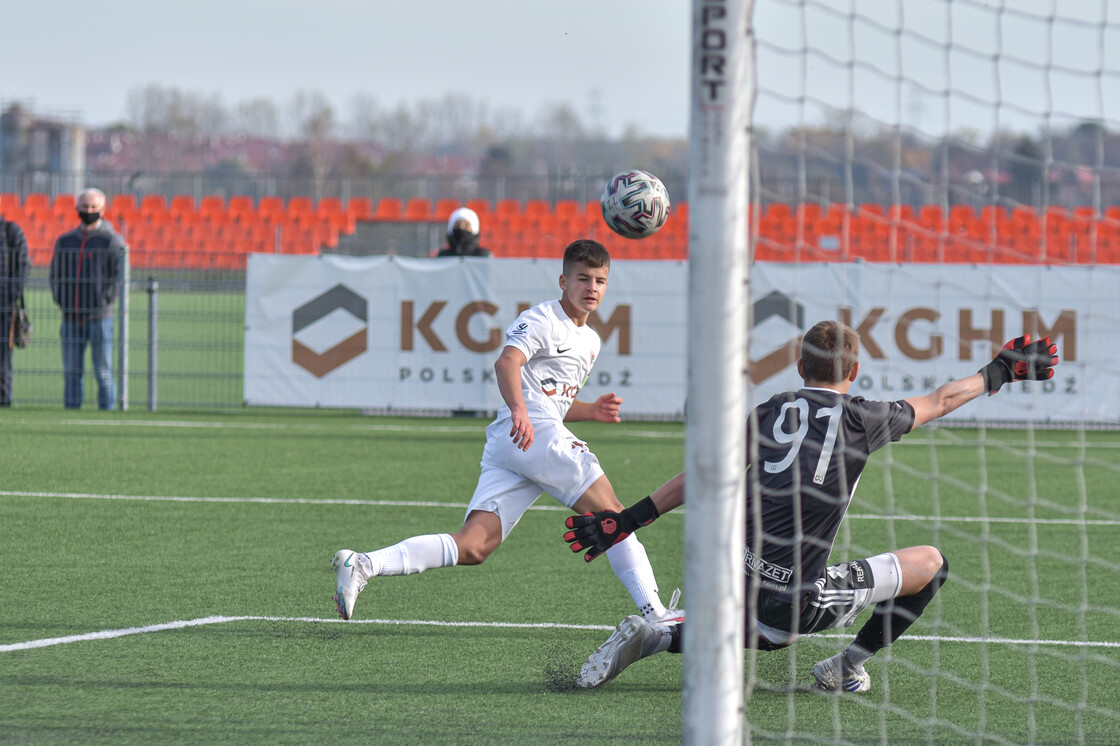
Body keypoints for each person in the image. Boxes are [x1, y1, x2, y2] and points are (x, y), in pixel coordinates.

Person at [563, 320, 1059, 691]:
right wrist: (998, 371)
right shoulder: (866, 418)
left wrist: (626, 520)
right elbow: (942, 400)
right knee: (931, 565)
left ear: (800, 367)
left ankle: (666, 632)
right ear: (856, 371)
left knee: (765, 608)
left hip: (734, 571)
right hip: (791, 594)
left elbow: (702, 476)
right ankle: (844, 667)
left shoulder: (771, 409)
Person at [332, 239, 678, 626]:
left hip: (517, 441)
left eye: (600, 280)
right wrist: (520, 410)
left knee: (473, 545)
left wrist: (591, 410)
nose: (592, 288)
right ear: (563, 281)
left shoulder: (591, 340)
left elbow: (553, 400)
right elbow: (507, 363)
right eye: (583, 279)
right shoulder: (544, 318)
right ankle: (656, 614)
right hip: (530, 433)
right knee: (614, 514)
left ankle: (363, 564)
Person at [49, 188, 123, 410]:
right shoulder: (65, 241)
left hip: (100, 318)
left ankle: (107, 413)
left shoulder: (111, 241)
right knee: (72, 372)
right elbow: (55, 275)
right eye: (85, 206)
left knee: (103, 371)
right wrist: (61, 298)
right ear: (77, 208)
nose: (88, 211)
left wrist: (104, 301)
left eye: (93, 207)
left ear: (102, 209)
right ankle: (72, 413)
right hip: (71, 318)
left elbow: (119, 278)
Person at [1, 214, 30, 406]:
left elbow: (22, 267)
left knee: (2, 361)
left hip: (4, 308)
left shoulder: (11, 232)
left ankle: (3, 400)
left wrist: (10, 296)